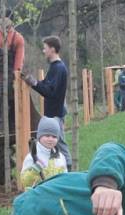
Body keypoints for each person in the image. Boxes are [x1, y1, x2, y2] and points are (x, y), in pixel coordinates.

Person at [21, 36, 71, 168]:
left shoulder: (59, 68)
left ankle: (69, 169)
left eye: (45, 48)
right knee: (56, 143)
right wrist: (34, 82)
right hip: (52, 113)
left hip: (55, 114)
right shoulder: (54, 67)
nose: (43, 51)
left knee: (59, 142)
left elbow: (50, 92)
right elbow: (46, 85)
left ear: (52, 49)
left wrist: (34, 83)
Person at [20, 116, 68, 189]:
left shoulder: (60, 157)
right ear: (39, 136)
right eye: (47, 136)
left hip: (55, 196)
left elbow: (65, 178)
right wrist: (34, 170)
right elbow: (25, 182)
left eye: (54, 137)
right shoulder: (32, 157)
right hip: (37, 197)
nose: (50, 139)